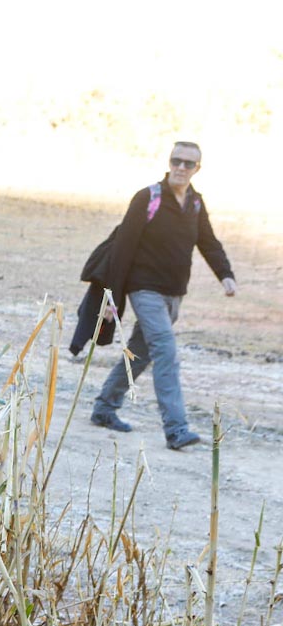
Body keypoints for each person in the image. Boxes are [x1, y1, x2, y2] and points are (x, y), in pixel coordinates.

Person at [89, 142, 237, 450]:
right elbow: (122, 250)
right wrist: (112, 300)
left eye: (188, 163)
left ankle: (105, 407)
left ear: (198, 168)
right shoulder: (148, 197)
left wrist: (225, 275)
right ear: (169, 162)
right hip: (144, 290)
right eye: (176, 161)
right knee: (166, 352)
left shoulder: (195, 203)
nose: (181, 167)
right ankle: (176, 429)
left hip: (174, 295)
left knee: (140, 352)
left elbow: (208, 242)